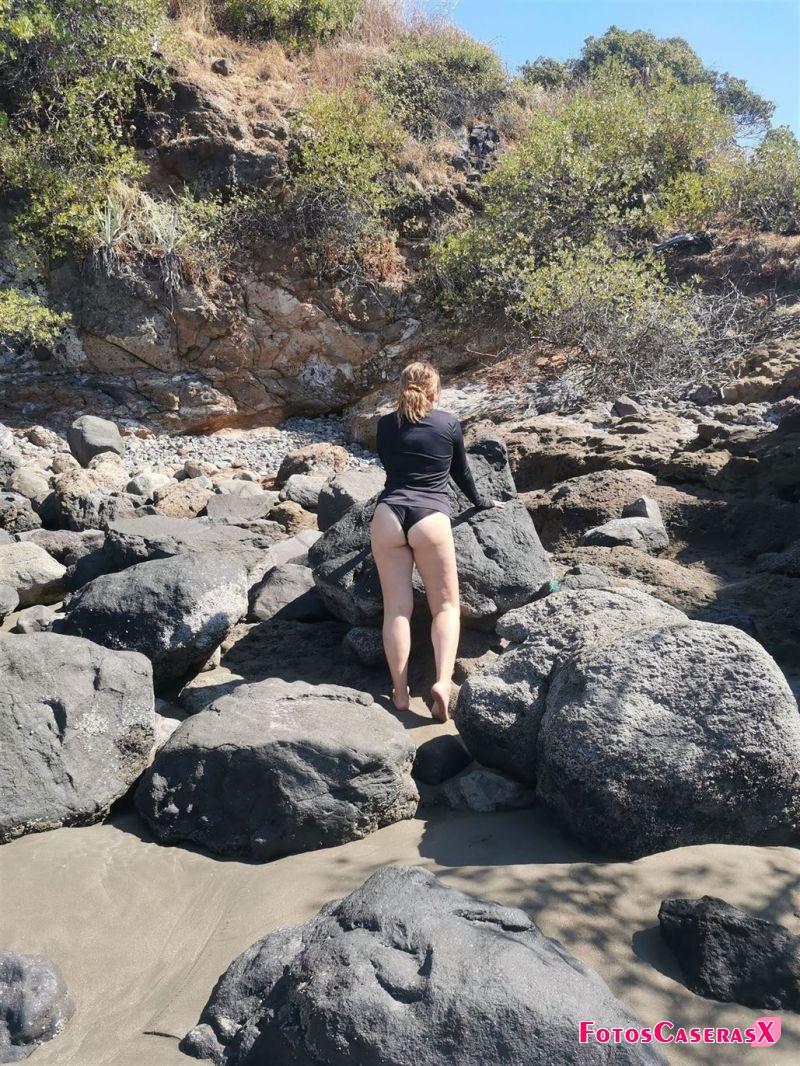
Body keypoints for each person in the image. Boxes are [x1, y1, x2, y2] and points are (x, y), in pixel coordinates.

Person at [370, 361, 501, 722]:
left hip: (388, 515)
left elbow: (388, 465)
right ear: (434, 392)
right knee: (446, 608)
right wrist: (484, 503)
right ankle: (442, 683)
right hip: (431, 518)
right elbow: (462, 474)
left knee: (397, 610)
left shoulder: (384, 424)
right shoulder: (447, 423)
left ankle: (399, 692)